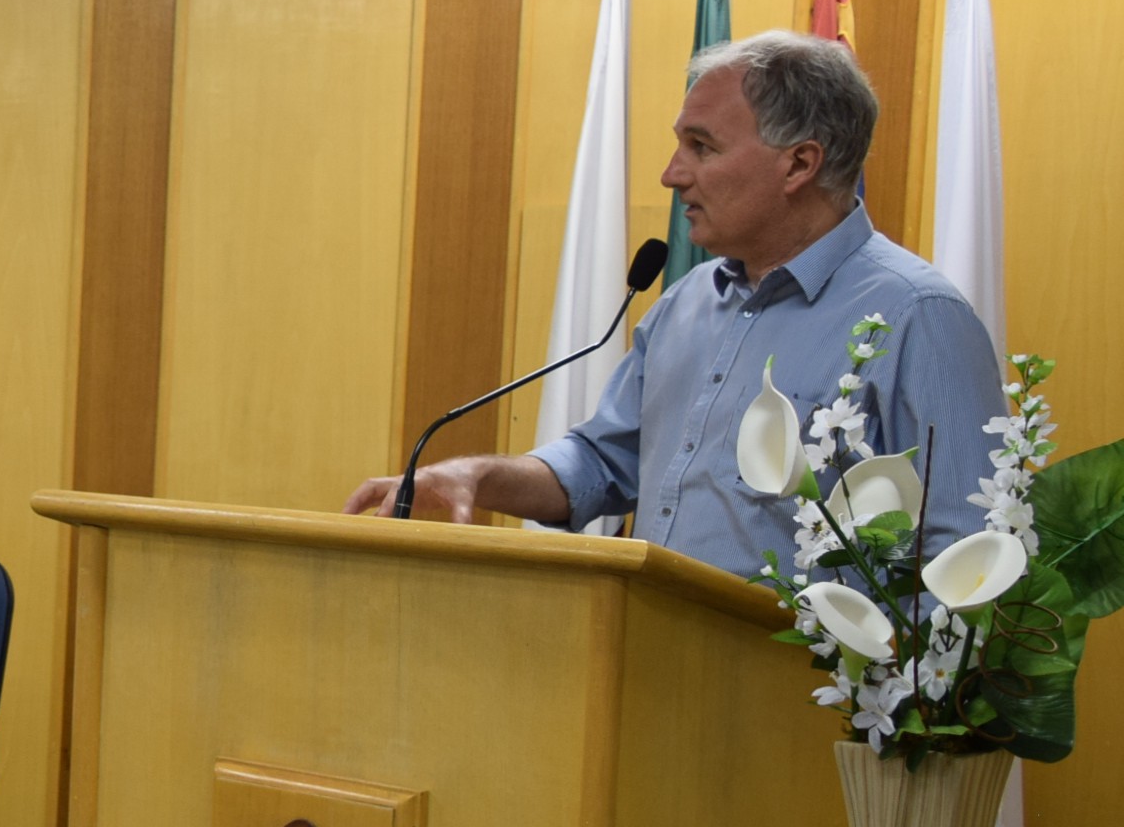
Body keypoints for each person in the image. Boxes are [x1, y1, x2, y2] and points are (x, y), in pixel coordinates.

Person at [344, 30, 1004, 569]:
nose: (671, 173)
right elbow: (604, 462)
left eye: (701, 147)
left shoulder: (919, 317)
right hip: (654, 687)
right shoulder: (687, 302)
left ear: (799, 165)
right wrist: (476, 477)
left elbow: (968, 553)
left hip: (805, 710)